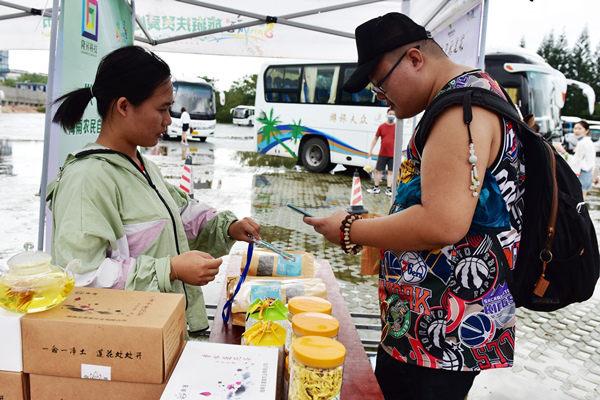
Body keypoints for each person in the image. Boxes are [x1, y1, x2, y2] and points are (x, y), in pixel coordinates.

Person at [304, 13, 525, 400]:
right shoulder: (463, 98)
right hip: (425, 327)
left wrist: (350, 229)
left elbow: (443, 224)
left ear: (415, 59)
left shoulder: (462, 109)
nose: (382, 98)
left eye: (381, 84)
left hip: (442, 336)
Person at [48, 46, 260, 333]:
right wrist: (169, 269)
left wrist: (228, 227)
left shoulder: (142, 166)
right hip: (137, 343)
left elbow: (180, 215)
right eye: (162, 109)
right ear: (123, 106)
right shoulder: (88, 179)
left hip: (171, 330)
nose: (169, 120)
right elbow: (82, 277)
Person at [554, 120, 595, 196]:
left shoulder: (582, 143)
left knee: (578, 201)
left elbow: (575, 161)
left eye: (580, 128)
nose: (576, 131)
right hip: (587, 174)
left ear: (586, 131)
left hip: (582, 174)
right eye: (575, 128)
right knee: (582, 200)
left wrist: (562, 151)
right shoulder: (589, 142)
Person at [367, 109, 396, 196]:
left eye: (393, 114)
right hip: (382, 153)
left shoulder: (397, 127)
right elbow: (375, 139)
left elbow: (399, 140)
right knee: (378, 171)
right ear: (387, 114)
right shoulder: (381, 126)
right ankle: (376, 188)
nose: (391, 116)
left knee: (390, 172)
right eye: (390, 114)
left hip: (392, 154)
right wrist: (370, 150)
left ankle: (389, 189)